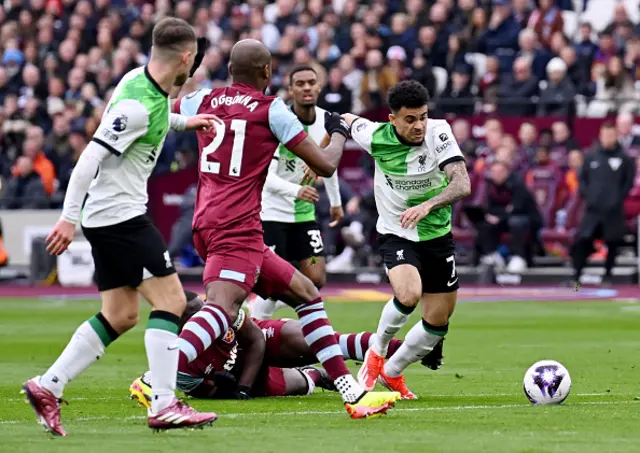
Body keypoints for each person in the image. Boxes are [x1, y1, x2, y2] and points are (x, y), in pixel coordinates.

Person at [172, 39, 399, 419]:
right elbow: (326, 164)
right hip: (236, 226)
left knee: (307, 293)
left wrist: (179, 76)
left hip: (210, 221)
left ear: (229, 71)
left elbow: (167, 110)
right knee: (224, 308)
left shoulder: (203, 100)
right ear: (267, 73)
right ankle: (154, 380)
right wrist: (340, 130)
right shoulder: (271, 110)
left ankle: (352, 393)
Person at [22, 18, 219, 436]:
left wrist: (189, 122)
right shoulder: (136, 107)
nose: (193, 71)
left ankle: (47, 385)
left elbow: (159, 115)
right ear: (186, 58)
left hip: (110, 217)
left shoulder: (140, 81)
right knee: (171, 301)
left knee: (122, 314)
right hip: (120, 217)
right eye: (194, 64)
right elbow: (88, 160)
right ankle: (165, 404)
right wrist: (67, 217)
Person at [340, 80, 471, 399]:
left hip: (437, 234)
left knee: (438, 320)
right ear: (392, 119)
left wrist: (427, 205)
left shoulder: (438, 132)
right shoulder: (373, 136)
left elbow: (462, 183)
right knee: (409, 293)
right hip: (396, 232)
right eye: (410, 119)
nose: (419, 125)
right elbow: (344, 119)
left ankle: (393, 372)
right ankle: (376, 352)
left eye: (423, 117)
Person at [129, 292, 405, 402]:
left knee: (316, 340)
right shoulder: (180, 367)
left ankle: (405, 348)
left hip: (255, 343)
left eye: (204, 309)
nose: (206, 316)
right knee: (303, 382)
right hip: (241, 373)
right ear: (180, 325)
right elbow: (206, 392)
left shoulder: (221, 312)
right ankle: (315, 374)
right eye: (196, 315)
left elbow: (256, 340)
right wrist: (221, 386)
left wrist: (243, 388)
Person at [250, 65, 343, 320]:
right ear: (290, 90)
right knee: (272, 285)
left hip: (303, 215)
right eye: (299, 83)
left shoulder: (327, 122)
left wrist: (336, 202)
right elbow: (265, 176)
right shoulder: (279, 122)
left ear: (319, 87)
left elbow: (329, 164)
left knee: (316, 278)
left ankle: (255, 312)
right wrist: (296, 190)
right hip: (272, 213)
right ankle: (256, 325)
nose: (306, 88)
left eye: (311, 82)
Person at [572, 123, 636, 286]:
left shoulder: (624, 158)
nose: (607, 139)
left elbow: (628, 182)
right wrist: (589, 196)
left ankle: (608, 275)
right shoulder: (591, 156)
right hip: (592, 209)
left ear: (616, 136)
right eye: (605, 135)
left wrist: (617, 198)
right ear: (600, 136)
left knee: (612, 242)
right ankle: (576, 276)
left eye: (610, 135)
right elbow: (582, 179)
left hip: (613, 210)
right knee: (583, 240)